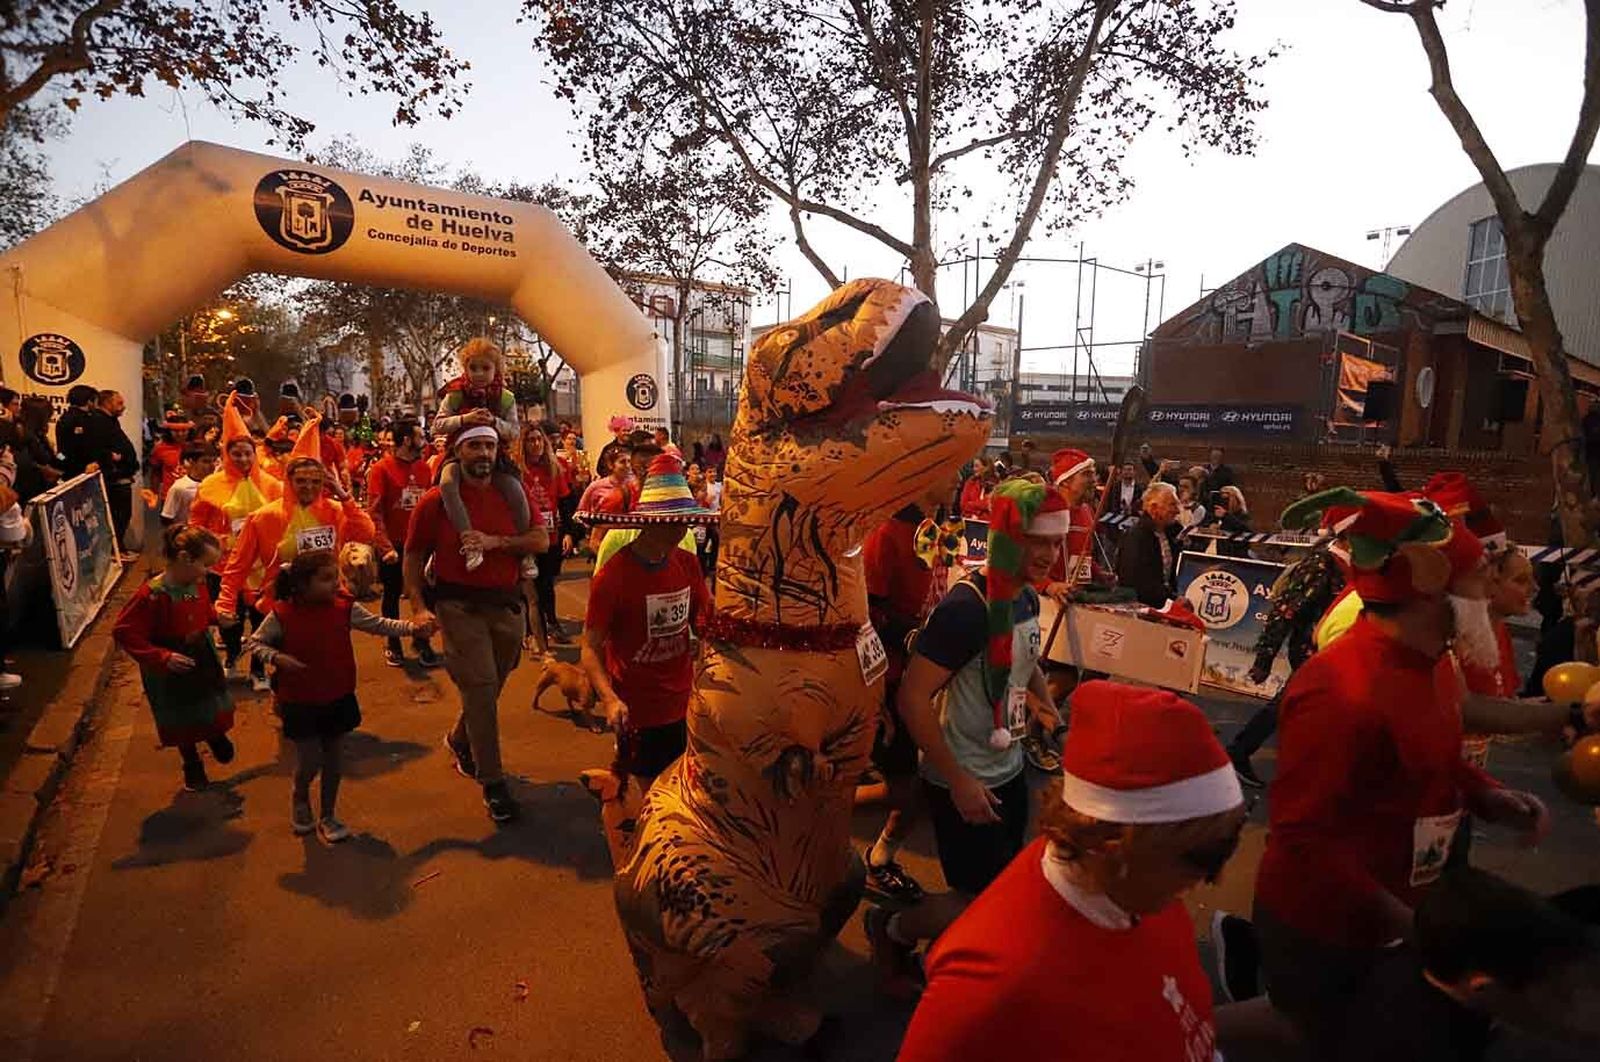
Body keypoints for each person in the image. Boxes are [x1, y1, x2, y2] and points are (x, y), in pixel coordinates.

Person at [1249, 489, 1551, 1061]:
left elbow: (1429, 751)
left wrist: (1486, 795)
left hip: (1395, 913)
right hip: (1328, 928)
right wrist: (1408, 922)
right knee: (1315, 1040)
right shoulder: (1340, 690)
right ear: (1431, 586)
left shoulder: (1433, 662)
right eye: (1479, 577)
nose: (1489, 593)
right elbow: (1303, 839)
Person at [898, 681, 1246, 1062]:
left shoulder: (1142, 896)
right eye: (1203, 858)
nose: (1209, 880)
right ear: (1114, 842)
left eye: (1224, 849)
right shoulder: (991, 984)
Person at [868, 478, 1068, 992]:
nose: (1049, 555)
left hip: (1007, 768)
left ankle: (957, 956)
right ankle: (891, 929)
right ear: (1008, 537)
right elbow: (912, 698)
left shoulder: (1024, 595)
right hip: (964, 776)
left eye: (1055, 542)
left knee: (999, 885)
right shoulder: (967, 608)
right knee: (974, 896)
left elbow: (1026, 658)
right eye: (1037, 541)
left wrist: (1044, 706)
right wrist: (957, 781)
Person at [404, 425, 549, 823]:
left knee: (492, 682)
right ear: (458, 451)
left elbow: (540, 540)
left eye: (489, 445)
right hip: (458, 607)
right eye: (474, 446)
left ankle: (459, 738)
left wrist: (495, 542)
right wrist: (418, 606)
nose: (483, 452)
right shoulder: (435, 501)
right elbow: (413, 555)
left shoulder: (512, 492)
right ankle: (493, 781)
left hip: (506, 605)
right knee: (482, 686)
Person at [249, 550, 434, 842]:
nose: (336, 583)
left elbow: (379, 624)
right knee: (309, 759)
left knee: (334, 759)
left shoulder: (344, 607)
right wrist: (277, 657)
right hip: (299, 700)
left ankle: (328, 815)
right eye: (326, 579)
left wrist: (412, 628)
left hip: (337, 694)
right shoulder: (282, 614)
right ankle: (300, 796)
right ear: (302, 584)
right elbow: (255, 643)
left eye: (336, 577)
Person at [578, 454, 715, 782]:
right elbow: (590, 646)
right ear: (652, 522)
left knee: (683, 785)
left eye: (685, 520)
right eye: (676, 520)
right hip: (636, 708)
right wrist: (609, 699)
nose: (683, 528)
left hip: (684, 702)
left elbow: (706, 621)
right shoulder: (613, 576)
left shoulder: (687, 563)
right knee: (647, 791)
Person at [859, 481, 960, 904]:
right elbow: (865, 612)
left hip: (923, 675)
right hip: (888, 680)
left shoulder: (933, 527)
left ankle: (879, 855)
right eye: (950, 469)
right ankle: (834, 819)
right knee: (907, 787)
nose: (958, 477)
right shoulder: (886, 532)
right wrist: (914, 637)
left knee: (916, 784)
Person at [216, 415, 374, 661]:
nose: (308, 487)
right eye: (301, 481)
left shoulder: (334, 510)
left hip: (329, 602)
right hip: (284, 606)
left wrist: (344, 496)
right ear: (289, 481)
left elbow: (365, 532)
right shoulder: (263, 517)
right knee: (291, 667)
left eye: (315, 481)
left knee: (331, 661)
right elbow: (238, 564)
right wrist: (226, 602)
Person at [112, 526, 234, 792]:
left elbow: (196, 607)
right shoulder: (153, 595)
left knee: (208, 700)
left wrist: (216, 617)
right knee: (181, 714)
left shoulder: (192, 586)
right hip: (171, 665)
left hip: (200, 654)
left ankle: (214, 734)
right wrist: (161, 657)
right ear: (184, 558)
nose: (208, 571)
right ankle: (192, 763)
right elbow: (125, 632)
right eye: (205, 564)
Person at [188, 393, 284, 689]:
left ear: (255, 455)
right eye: (236, 454)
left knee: (261, 620)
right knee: (228, 620)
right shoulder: (210, 485)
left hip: (260, 567)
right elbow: (196, 522)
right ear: (226, 455)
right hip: (222, 566)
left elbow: (282, 519)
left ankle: (258, 668)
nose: (243, 459)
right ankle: (231, 654)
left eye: (247, 454)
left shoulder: (272, 485)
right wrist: (211, 545)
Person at [431, 339, 532, 576]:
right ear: (465, 368)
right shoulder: (455, 394)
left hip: (495, 457)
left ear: (496, 369)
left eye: (485, 368)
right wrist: (464, 419)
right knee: (446, 483)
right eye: (473, 368)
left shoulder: (506, 398)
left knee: (516, 488)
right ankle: (470, 544)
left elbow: (514, 432)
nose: (478, 374)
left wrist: (494, 422)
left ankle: (524, 550)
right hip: (460, 456)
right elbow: (437, 425)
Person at [363, 417, 442, 668]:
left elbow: (431, 508)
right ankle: (393, 642)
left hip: (421, 546)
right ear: (407, 440)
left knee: (427, 594)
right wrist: (385, 547)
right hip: (394, 547)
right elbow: (374, 512)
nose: (425, 441)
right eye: (420, 436)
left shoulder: (424, 468)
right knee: (392, 595)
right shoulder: (381, 469)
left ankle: (422, 641)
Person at [517, 423, 572, 643]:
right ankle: (530, 631)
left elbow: (566, 502)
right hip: (526, 536)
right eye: (531, 440)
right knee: (528, 586)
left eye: (539, 439)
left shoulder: (555, 467)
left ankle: (552, 623)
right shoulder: (516, 470)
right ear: (523, 444)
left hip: (551, 536)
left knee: (547, 583)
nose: (536, 444)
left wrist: (568, 533)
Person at [85, 390, 142, 557]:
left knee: (122, 515)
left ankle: (118, 548)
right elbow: (98, 447)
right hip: (114, 478)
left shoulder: (110, 421)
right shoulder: (98, 422)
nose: (123, 407)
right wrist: (111, 458)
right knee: (118, 515)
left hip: (121, 474)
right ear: (107, 403)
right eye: (119, 403)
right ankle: (115, 550)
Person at [1115, 481, 1181, 608]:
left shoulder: (1169, 533)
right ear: (1154, 508)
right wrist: (1171, 598)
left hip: (1164, 605)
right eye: (1172, 505)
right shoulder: (1136, 537)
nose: (1177, 510)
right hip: (1142, 608)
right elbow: (1136, 582)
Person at [11, 396, 62, 502]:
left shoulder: (39, 434)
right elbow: (25, 461)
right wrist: (43, 468)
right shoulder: (23, 434)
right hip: (31, 486)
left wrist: (64, 458)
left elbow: (54, 455)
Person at [160, 443, 217, 527]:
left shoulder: (216, 484)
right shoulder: (180, 487)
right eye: (205, 461)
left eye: (214, 461)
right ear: (191, 462)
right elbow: (167, 518)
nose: (212, 466)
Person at [147, 410, 193, 502]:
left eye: (184, 430)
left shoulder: (196, 447)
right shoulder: (160, 448)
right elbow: (155, 473)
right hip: (169, 496)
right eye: (176, 431)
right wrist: (153, 493)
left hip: (193, 495)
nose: (180, 434)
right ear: (168, 431)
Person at [53, 383, 99, 477]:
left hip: (67, 467)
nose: (97, 406)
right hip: (83, 471)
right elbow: (82, 447)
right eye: (96, 401)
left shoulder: (64, 417)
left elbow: (61, 452)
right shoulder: (85, 420)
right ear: (89, 401)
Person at [1208, 484, 1253, 558]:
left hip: (1237, 554)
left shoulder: (1242, 515)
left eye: (1227, 499)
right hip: (1221, 553)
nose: (1224, 502)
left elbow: (1246, 530)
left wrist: (1226, 515)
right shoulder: (1217, 515)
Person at [596, 414, 636, 485]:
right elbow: (600, 469)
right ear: (617, 432)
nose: (627, 433)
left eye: (629, 430)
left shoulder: (635, 447)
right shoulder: (608, 448)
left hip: (631, 484)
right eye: (624, 430)